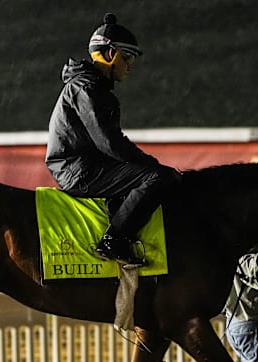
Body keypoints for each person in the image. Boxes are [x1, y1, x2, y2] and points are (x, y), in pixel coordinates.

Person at [45, 13, 179, 268]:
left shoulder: (92, 86)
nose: (130, 66)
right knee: (158, 177)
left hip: (83, 165)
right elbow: (110, 144)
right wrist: (151, 164)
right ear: (109, 54)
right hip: (78, 171)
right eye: (126, 58)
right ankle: (113, 240)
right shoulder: (87, 88)